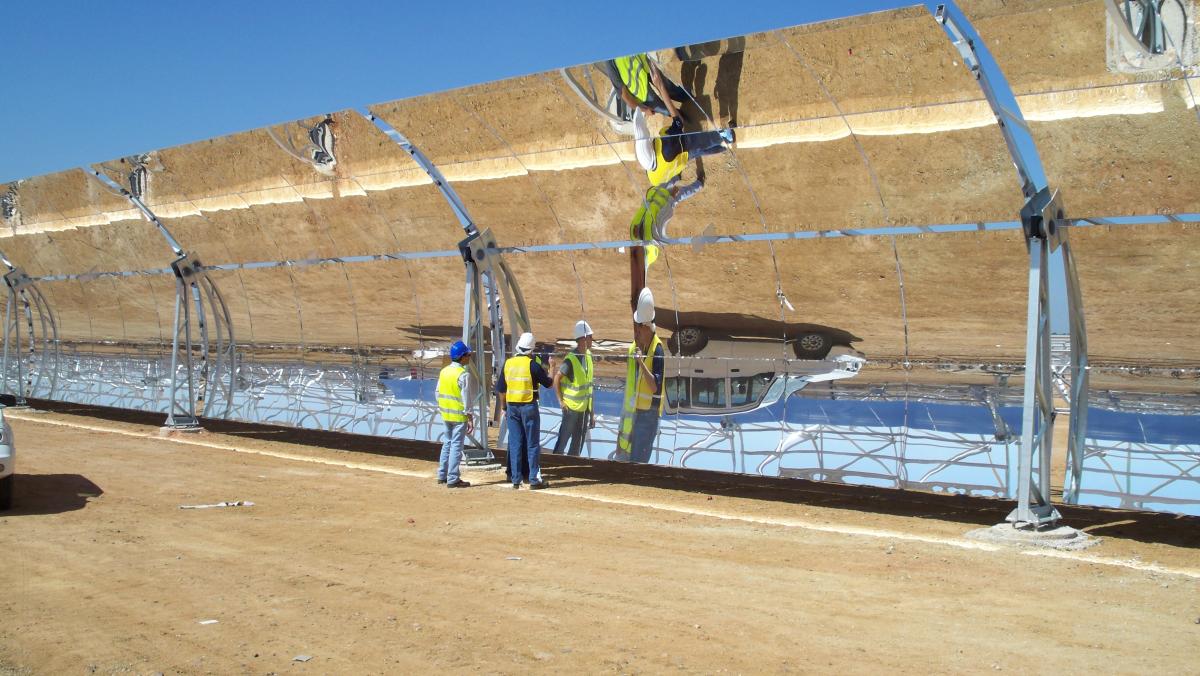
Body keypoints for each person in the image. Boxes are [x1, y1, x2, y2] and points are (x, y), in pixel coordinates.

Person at [628, 180, 705, 305]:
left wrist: (650, 195)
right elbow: (664, 216)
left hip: (655, 194)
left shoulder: (634, 234)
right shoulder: (654, 237)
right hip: (664, 199)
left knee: (669, 179)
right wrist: (671, 199)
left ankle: (680, 174)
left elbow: (643, 209)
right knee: (680, 191)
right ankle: (699, 183)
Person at [496, 332, 554, 489]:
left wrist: (504, 407)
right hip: (528, 406)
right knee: (532, 443)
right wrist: (552, 368)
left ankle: (516, 479)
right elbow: (549, 383)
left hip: (512, 407)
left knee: (515, 443)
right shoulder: (532, 365)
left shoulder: (508, 364)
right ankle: (534, 479)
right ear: (531, 350)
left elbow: (501, 390)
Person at [617, 289, 666, 464]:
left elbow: (654, 386)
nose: (637, 333)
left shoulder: (657, 350)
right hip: (642, 413)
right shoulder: (646, 347)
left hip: (649, 416)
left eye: (639, 328)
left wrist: (641, 363)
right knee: (635, 455)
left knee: (639, 458)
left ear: (646, 327)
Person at [634, 110, 733, 188]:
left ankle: (722, 148)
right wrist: (676, 120)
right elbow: (676, 127)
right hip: (685, 145)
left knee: (702, 151)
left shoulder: (653, 179)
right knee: (706, 140)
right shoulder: (665, 148)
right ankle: (727, 136)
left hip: (681, 161)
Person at [552, 320, 595, 456]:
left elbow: (589, 388)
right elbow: (557, 378)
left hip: (584, 410)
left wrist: (592, 413)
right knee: (562, 442)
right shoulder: (571, 359)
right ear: (583, 339)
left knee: (577, 445)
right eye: (590, 336)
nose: (592, 339)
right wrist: (561, 401)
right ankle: (554, 467)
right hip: (571, 409)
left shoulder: (588, 356)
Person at [435, 340, 475, 488]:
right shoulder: (463, 374)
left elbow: (437, 392)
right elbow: (467, 399)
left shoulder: (444, 371)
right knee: (456, 447)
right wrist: (469, 416)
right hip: (458, 416)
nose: (469, 357)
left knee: (447, 443)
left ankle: (442, 474)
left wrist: (444, 406)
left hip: (446, 414)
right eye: (468, 355)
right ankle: (453, 478)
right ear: (462, 356)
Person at [604, 53, 689, 120]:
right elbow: (625, 96)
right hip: (641, 92)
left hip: (647, 67)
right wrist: (644, 109)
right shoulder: (609, 62)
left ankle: (687, 97)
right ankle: (682, 118)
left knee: (669, 88)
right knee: (665, 109)